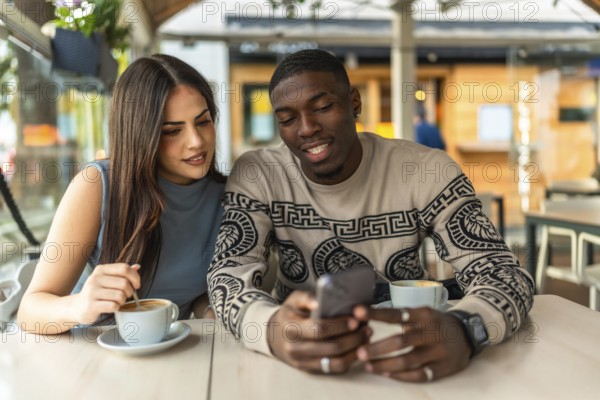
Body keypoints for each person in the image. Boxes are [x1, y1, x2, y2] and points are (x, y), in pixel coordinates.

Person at [208, 49, 534, 382]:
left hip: (413, 343)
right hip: (296, 353)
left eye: (322, 107)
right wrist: (272, 330)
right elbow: (227, 275)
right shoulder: (259, 173)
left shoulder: (425, 170)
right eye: (287, 119)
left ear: (354, 103)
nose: (306, 128)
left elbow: (504, 273)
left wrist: (467, 329)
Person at [18, 54, 225, 333]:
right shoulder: (97, 185)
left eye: (202, 122)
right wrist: (79, 306)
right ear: (141, 135)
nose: (196, 142)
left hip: (169, 353)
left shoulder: (227, 196)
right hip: (84, 353)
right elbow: (30, 311)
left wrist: (208, 310)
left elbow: (192, 285)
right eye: (172, 131)